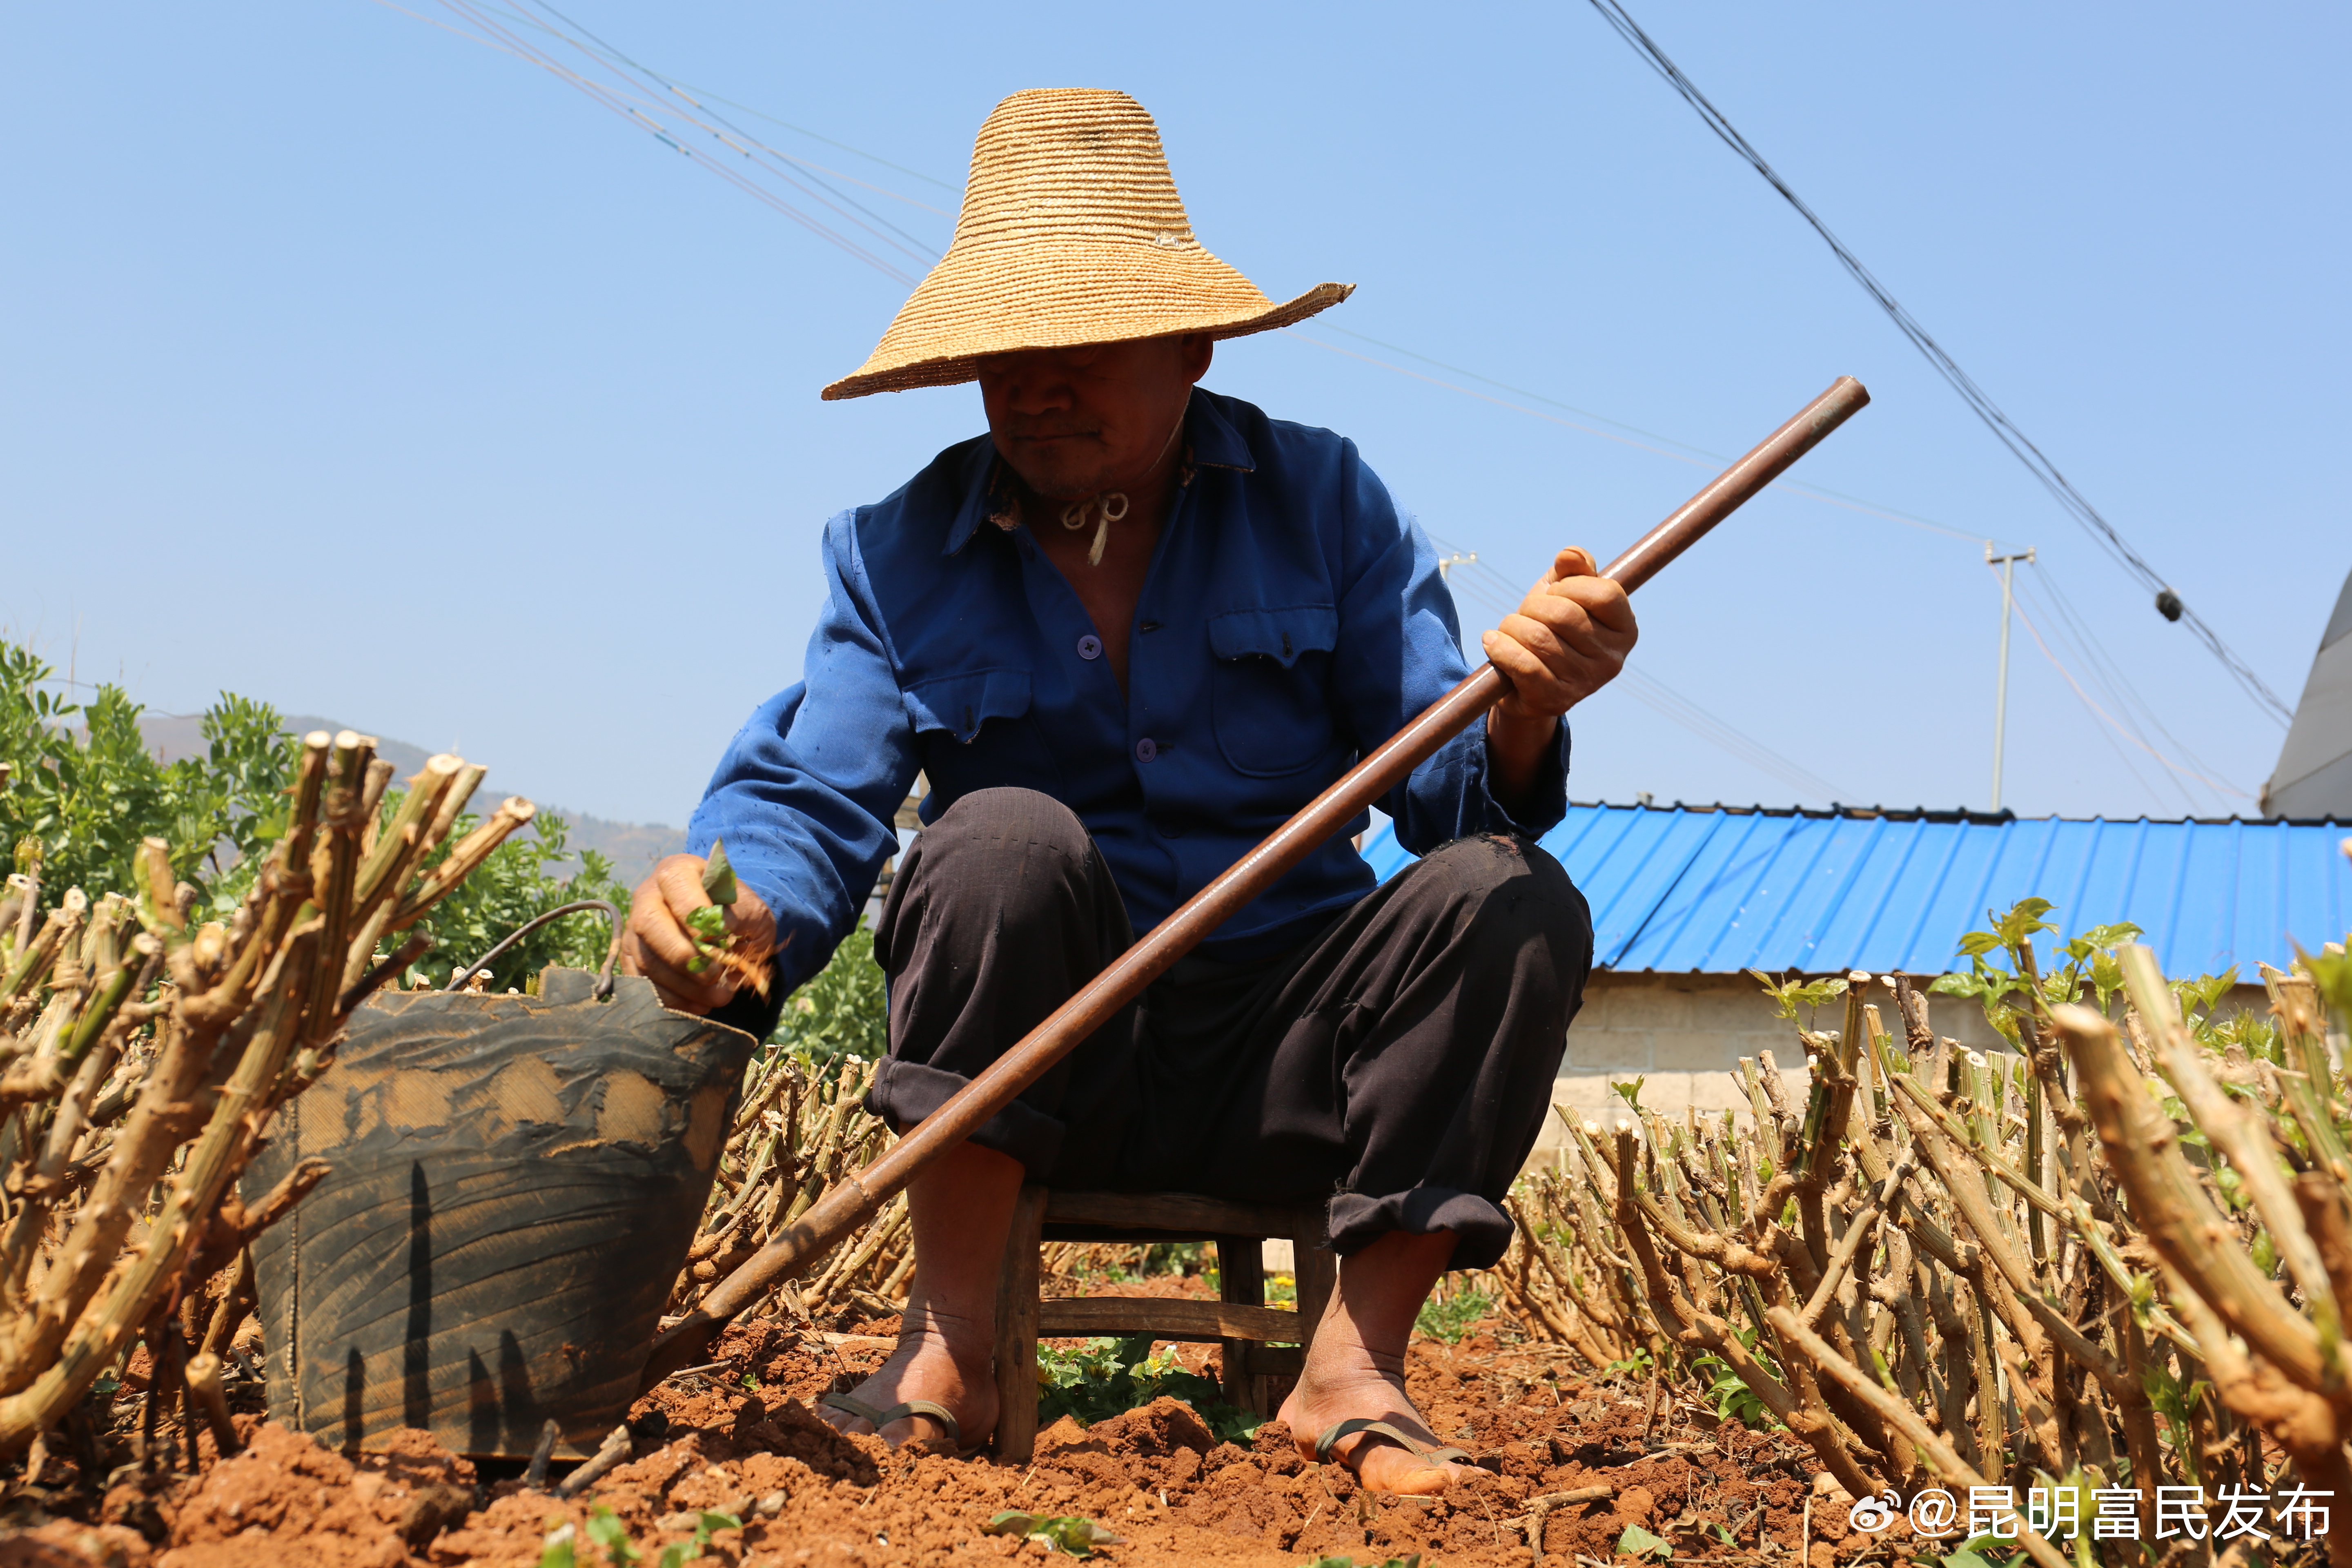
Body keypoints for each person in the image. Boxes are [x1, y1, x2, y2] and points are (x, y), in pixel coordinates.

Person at [622, 88, 1635, 1496]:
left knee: (1513, 898)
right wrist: (726, 909)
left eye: (1078, 346)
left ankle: (1354, 1370)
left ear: (1195, 346)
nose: (1035, 384)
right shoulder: (896, 549)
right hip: (1044, 1062)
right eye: (1004, 355)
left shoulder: (1325, 502)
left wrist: (1528, 708)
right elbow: (809, 796)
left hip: (1294, 1055)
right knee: (996, 841)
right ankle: (952, 1349)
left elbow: (1454, 797)